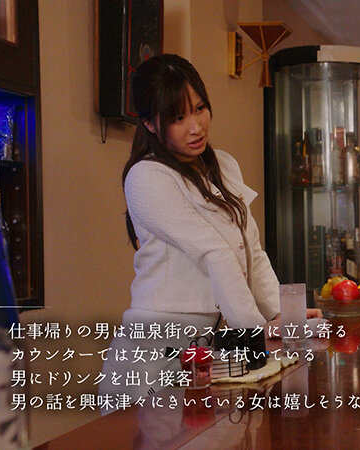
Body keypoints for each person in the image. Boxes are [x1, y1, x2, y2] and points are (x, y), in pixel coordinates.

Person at [100, 54, 320, 406]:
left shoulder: (223, 165)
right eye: (178, 118)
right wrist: (254, 332)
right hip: (153, 352)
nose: (196, 127)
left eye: (200, 108)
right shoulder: (146, 176)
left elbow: (251, 249)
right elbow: (214, 253)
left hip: (204, 351)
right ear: (150, 124)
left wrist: (280, 314)